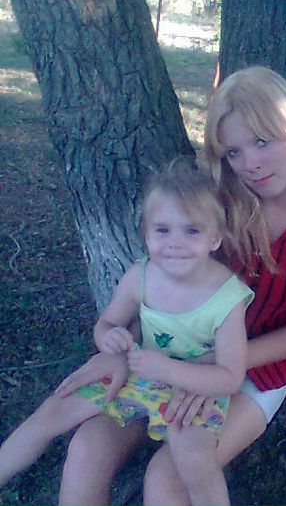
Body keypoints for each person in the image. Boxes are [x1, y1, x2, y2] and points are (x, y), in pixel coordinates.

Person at [55, 65, 286, 506]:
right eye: (234, 152)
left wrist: (213, 370)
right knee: (89, 445)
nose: (250, 164)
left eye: (263, 142)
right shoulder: (215, 202)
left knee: (168, 477)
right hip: (171, 356)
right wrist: (120, 351)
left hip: (257, 373)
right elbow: (162, 282)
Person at [0, 165, 254, 506]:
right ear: (146, 234)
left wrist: (167, 369)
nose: (175, 243)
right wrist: (109, 339)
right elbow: (107, 323)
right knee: (53, 410)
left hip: (193, 390)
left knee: (195, 460)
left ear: (215, 239)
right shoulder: (140, 277)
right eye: (162, 230)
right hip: (137, 374)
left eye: (192, 231)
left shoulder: (227, 297)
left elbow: (230, 377)